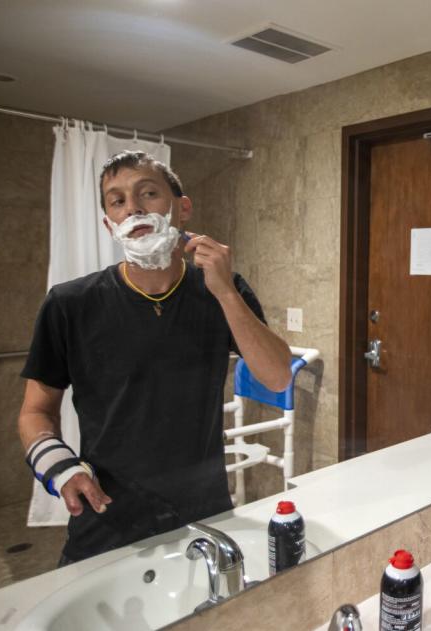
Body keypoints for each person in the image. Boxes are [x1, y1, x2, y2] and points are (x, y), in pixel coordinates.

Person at [18, 150, 292, 564]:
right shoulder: (69, 305)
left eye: (148, 193)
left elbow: (278, 378)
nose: (134, 208)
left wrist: (224, 292)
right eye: (118, 201)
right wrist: (60, 468)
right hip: (106, 520)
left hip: (204, 515)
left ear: (182, 208)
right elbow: (35, 412)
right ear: (109, 223)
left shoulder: (222, 288)